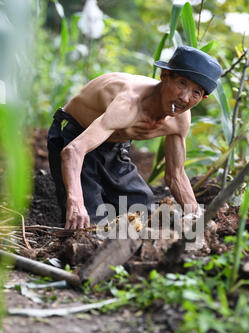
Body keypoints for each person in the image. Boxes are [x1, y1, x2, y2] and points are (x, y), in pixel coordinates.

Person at [47, 45, 222, 230]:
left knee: (142, 209)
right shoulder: (129, 104)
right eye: (182, 83)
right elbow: (73, 151)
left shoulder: (180, 120)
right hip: (75, 135)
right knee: (87, 222)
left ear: (202, 98)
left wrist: (196, 218)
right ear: (164, 76)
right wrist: (75, 202)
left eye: (196, 92)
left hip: (114, 146)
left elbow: (176, 175)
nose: (185, 98)